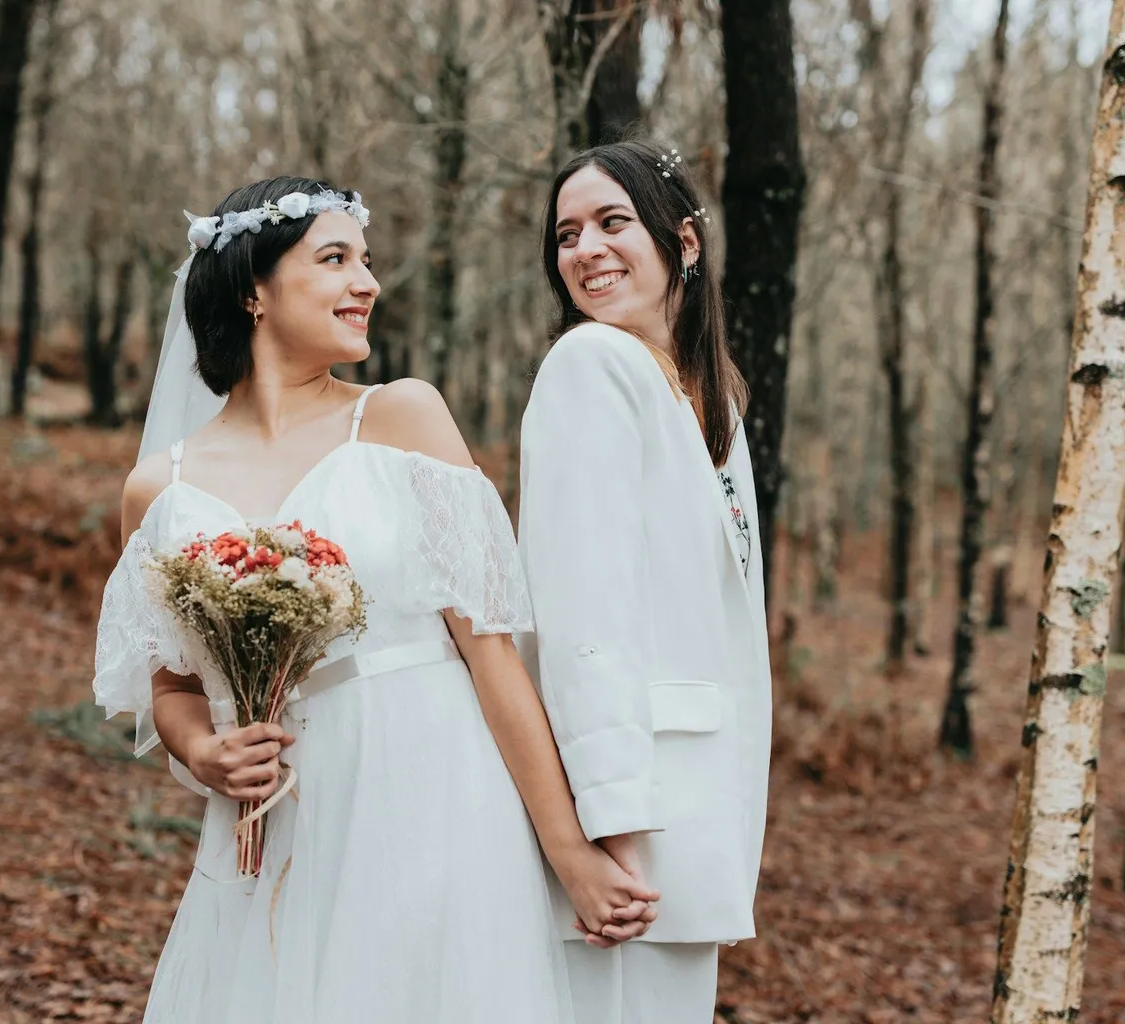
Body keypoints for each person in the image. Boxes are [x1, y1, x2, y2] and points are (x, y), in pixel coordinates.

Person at [92, 175, 656, 1024]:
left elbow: (491, 653)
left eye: (367, 261)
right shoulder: (157, 490)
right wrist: (206, 755)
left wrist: (567, 849)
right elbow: (170, 688)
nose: (369, 283)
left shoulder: (403, 418)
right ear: (253, 288)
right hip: (278, 827)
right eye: (336, 259)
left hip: (436, 797)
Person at [518, 140, 774, 1024]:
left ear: (686, 243)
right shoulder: (590, 366)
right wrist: (607, 832)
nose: (586, 248)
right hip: (630, 832)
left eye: (612, 221)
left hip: (695, 811)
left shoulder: (711, 398)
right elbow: (582, 610)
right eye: (567, 233)